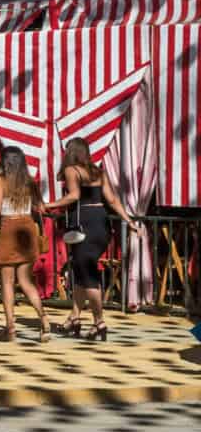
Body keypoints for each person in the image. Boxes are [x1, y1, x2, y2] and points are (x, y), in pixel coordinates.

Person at [44, 138, 142, 343]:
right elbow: (113, 200)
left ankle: (99, 322)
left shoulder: (72, 170)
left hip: (84, 226)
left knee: (88, 276)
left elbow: (73, 196)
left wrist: (50, 204)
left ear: (71, 152)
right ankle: (74, 317)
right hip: (102, 225)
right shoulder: (99, 172)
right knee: (81, 271)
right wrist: (129, 221)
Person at [0, 147, 51, 343]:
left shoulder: (0, 181)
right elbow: (40, 207)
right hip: (27, 229)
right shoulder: (29, 182)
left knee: (7, 283)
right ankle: (44, 319)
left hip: (9, 229)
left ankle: (11, 327)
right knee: (25, 281)